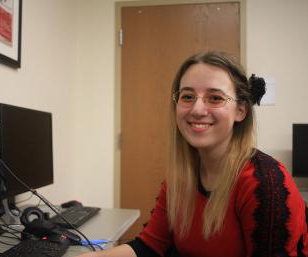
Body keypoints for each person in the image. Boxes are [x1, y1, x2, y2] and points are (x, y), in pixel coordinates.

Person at [77, 51, 308, 257]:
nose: (197, 109)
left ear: (240, 110)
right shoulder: (180, 178)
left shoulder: (265, 182)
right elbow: (149, 246)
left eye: (215, 98)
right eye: (188, 96)